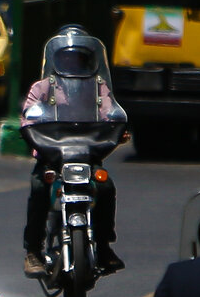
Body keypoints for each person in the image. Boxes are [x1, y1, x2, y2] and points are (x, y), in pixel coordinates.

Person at [21, 27, 125, 278]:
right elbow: (28, 116)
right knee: (39, 187)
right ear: (56, 58)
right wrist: (30, 128)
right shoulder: (43, 87)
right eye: (67, 57)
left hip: (87, 154)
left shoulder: (98, 87)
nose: (72, 62)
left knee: (105, 187)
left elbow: (110, 111)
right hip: (52, 155)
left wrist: (116, 125)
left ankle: (103, 246)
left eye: (77, 57)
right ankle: (33, 251)